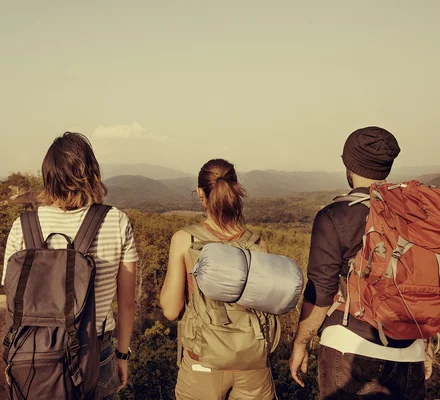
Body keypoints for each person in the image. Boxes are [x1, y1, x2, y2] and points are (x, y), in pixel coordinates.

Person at [290, 126, 431, 399]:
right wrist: (426, 344)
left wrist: (300, 343)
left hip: (350, 349)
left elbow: (320, 293)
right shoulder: (417, 215)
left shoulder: (334, 216)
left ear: (348, 165)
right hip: (410, 352)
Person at [2, 132, 138, 399]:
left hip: (33, 352)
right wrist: (122, 355)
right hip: (96, 351)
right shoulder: (116, 222)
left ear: (48, 175)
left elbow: (11, 295)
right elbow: (127, 302)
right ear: (91, 173)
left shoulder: (24, 225)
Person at [160, 158, 277, 400]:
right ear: (236, 190)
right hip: (253, 366)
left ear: (200, 194)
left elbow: (171, 310)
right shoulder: (258, 243)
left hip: (202, 364)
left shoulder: (185, 240)